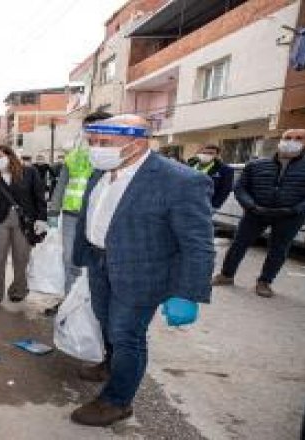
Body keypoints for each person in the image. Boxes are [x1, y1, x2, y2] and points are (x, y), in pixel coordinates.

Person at [70, 114, 215, 427]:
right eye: (93, 142)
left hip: (141, 273)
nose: (96, 149)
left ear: (137, 143)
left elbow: (198, 243)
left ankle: (117, 400)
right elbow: (91, 215)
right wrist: (83, 257)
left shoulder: (180, 180)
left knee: (127, 335)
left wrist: (187, 292)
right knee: (107, 324)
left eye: (104, 143)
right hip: (100, 263)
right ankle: (111, 364)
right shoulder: (101, 171)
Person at [212, 129, 305, 297]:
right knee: (239, 244)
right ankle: (226, 275)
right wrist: (251, 206)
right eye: (288, 137)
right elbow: (240, 187)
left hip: (289, 216)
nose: (291, 141)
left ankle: (264, 282)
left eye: (299, 138)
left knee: (278, 249)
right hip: (256, 213)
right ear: (281, 139)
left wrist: (296, 209)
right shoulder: (257, 164)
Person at [45, 111, 113, 317]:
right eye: (89, 129)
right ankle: (68, 304)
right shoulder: (74, 155)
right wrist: (54, 210)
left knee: (101, 263)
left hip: (103, 217)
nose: (93, 133)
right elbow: (62, 184)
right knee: (70, 260)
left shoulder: (115, 154)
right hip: (72, 215)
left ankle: (96, 308)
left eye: (99, 128)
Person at [0, 145, 47, 304]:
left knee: (21, 257)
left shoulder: (29, 172)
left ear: (9, 155)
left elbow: (39, 197)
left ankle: (19, 290)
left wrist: (41, 219)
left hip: (24, 221)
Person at [186, 144, 234, 210]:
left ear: (216, 155)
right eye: (204, 153)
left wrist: (214, 206)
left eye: (210, 153)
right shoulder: (189, 165)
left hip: (205, 205)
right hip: (185, 202)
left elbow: (225, 190)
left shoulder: (225, 170)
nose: (206, 155)